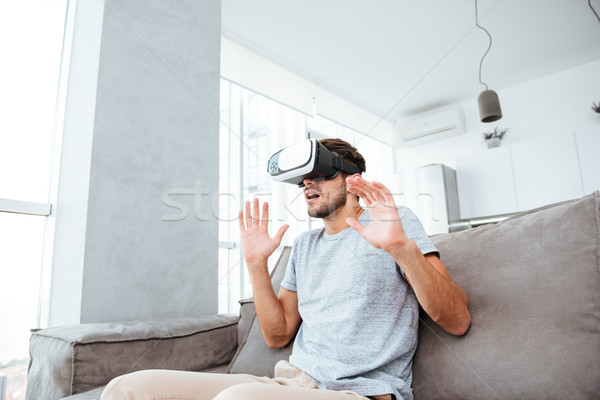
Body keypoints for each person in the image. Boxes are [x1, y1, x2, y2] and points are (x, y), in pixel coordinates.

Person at [100, 138, 470, 400]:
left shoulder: (396, 223)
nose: (307, 183)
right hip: (291, 385)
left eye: (319, 174)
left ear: (352, 179)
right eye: (302, 179)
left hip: (360, 393)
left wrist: (402, 250)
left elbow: (457, 320)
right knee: (128, 388)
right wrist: (256, 264)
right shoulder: (306, 246)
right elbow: (278, 336)